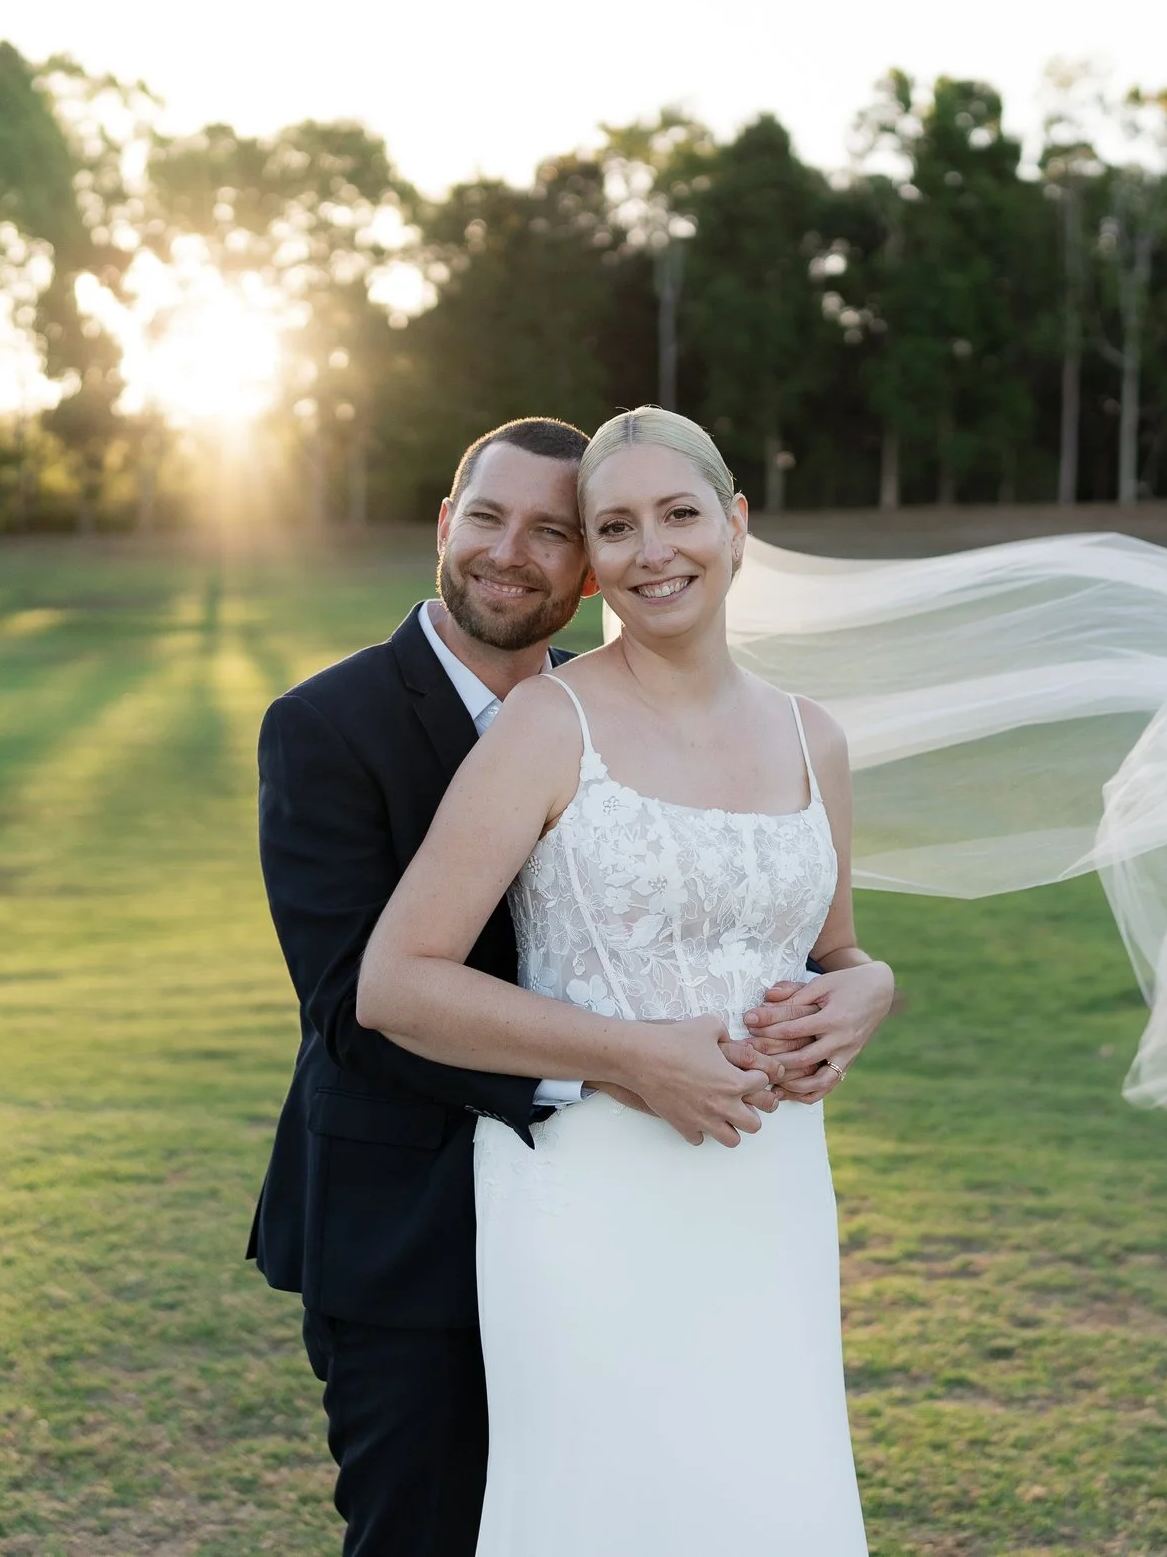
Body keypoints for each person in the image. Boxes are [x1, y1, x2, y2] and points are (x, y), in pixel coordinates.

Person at [249, 415, 892, 1557]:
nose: (515, 551)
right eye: (490, 518)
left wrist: (866, 983)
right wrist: (631, 1059)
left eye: (556, 531)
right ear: (446, 525)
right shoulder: (335, 727)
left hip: (744, 1195)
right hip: (420, 1218)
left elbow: (804, 937)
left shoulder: (730, 722)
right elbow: (361, 998)